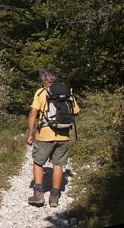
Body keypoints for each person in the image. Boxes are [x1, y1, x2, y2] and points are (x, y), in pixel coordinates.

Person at [26, 68, 80, 207]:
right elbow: (77, 112)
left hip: (44, 135)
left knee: (38, 162)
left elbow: (33, 113)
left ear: (46, 80)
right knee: (58, 165)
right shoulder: (66, 92)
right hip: (63, 136)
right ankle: (54, 197)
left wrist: (30, 134)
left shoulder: (41, 92)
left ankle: (38, 194)